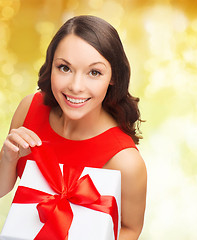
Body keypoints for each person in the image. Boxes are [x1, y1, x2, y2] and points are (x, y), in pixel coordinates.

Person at [0, 15, 147, 239]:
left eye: (94, 72)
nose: (76, 86)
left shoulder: (125, 161)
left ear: (113, 77)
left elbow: (131, 229)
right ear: (51, 66)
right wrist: (8, 158)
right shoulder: (30, 108)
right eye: (64, 68)